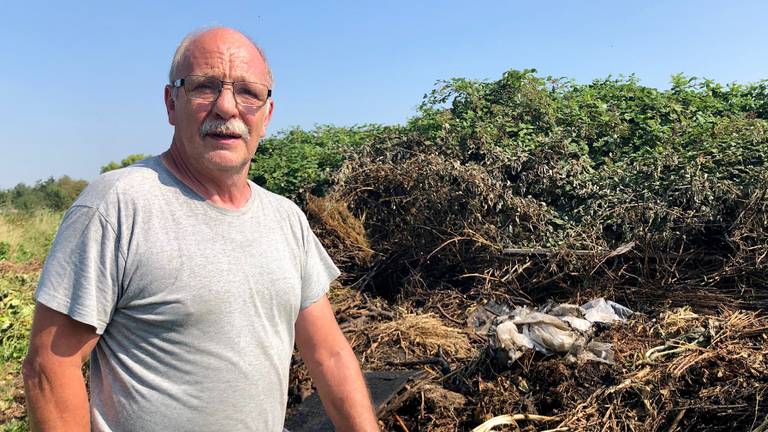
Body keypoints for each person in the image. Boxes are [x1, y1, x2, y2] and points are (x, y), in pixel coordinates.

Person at [22, 27, 379, 432]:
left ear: (267, 114)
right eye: (205, 87)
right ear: (171, 102)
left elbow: (328, 354)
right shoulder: (117, 205)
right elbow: (50, 366)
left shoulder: (286, 219)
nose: (227, 107)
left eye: (247, 92)